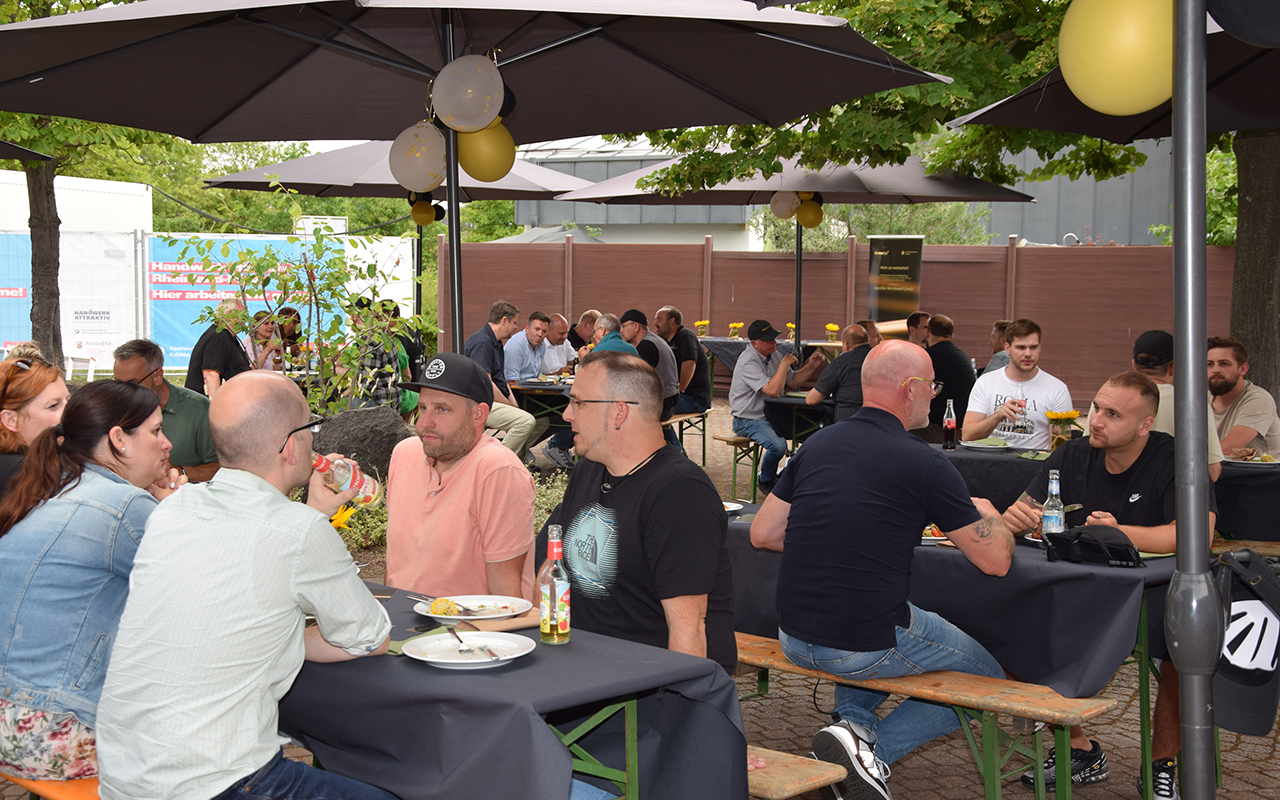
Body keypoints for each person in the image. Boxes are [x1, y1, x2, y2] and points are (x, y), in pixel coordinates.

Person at [96, 371, 394, 800]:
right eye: (312, 428)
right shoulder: (298, 532)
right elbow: (370, 639)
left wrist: (313, 514)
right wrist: (312, 521)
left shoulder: (172, 511)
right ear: (291, 445)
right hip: (214, 781)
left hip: (125, 774)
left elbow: (240, 605)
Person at [751, 341, 1013, 800]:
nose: (934, 395)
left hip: (793, 636)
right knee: (988, 678)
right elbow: (996, 562)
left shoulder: (818, 443)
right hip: (857, 644)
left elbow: (764, 534)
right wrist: (992, 515)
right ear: (910, 389)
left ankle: (852, 731)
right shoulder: (925, 460)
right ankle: (868, 756)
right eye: (932, 386)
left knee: (881, 622)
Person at [1002, 371, 1217, 799]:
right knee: (1014, 623)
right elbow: (1022, 509)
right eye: (1096, 407)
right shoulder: (1072, 455)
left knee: (1184, 650)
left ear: (1144, 425)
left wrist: (1123, 533)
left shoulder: (1175, 460)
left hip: (1155, 592)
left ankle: (1162, 763)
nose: (1095, 420)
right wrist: (1012, 520)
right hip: (1082, 590)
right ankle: (1079, 747)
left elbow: (1199, 534)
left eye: (1112, 414)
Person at [0, 381, 182, 781]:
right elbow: (203, 589)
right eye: (155, 431)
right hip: (56, 730)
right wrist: (173, 513)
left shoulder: (49, 488)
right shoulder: (127, 506)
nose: (166, 443)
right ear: (119, 440)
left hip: (15, 719)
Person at [556, 351, 735, 672]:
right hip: (580, 671)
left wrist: (681, 715)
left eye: (578, 402)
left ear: (619, 413)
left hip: (644, 690)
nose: (567, 414)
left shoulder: (680, 492)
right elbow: (548, 567)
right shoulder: (590, 469)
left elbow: (689, 629)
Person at [386, 353, 537, 601]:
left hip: (467, 632)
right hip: (400, 625)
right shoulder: (405, 454)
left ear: (479, 415)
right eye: (422, 408)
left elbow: (507, 597)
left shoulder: (497, 470)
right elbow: (394, 568)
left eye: (442, 409)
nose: (424, 424)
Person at [1086, 330, 1223, 480]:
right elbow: (1211, 470)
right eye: (1100, 409)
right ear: (1173, 367)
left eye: (1113, 414)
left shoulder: (1107, 399)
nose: (1097, 421)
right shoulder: (1193, 404)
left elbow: (1088, 456)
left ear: (1133, 365)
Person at [728, 319, 825, 492]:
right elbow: (772, 390)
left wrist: (811, 366)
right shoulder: (748, 362)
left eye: (774, 338)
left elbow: (793, 381)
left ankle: (786, 477)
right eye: (768, 340)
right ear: (754, 343)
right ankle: (766, 480)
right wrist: (784, 364)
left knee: (813, 434)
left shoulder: (775, 355)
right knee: (778, 446)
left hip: (773, 415)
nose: (774, 343)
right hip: (748, 419)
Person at [113, 338, 221, 482]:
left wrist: (178, 471)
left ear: (157, 376)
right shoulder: (114, 408)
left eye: (133, 383)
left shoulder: (199, 409)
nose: (123, 392)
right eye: (118, 383)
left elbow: (222, 469)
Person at [963, 318, 1073, 449]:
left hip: (1035, 465)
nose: (1028, 354)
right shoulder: (986, 382)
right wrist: (998, 416)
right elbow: (967, 435)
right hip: (992, 462)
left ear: (1040, 347)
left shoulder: (1057, 389)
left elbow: (1061, 445)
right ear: (1007, 348)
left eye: (1033, 347)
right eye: (1021, 347)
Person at [463, 300, 548, 460]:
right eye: (515, 323)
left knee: (539, 420)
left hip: (488, 402)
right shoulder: (482, 342)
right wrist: (509, 405)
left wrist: (514, 405)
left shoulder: (495, 343)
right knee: (525, 421)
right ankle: (496, 463)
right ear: (504, 320)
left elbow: (502, 379)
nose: (516, 327)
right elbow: (486, 383)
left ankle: (514, 459)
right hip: (477, 404)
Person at [0, 357, 69, 497]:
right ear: (11, 420)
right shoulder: (25, 474)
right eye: (54, 406)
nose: (70, 412)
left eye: (68, 400)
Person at [1207, 335, 1280, 457]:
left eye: (1224, 364)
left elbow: (1229, 449)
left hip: (1261, 474)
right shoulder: (1201, 400)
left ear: (1243, 369)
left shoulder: (1257, 399)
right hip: (1220, 471)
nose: (1216, 370)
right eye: (1210, 364)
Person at [619, 309, 681, 448]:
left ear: (635, 326)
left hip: (662, 404)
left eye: (623, 326)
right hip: (669, 400)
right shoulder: (654, 340)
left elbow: (635, 382)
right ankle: (676, 450)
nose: (621, 331)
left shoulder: (646, 345)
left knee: (618, 414)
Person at [916, 314, 975, 442]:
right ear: (952, 334)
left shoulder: (927, 358)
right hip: (960, 427)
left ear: (927, 332)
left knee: (901, 427)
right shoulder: (960, 355)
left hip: (942, 431)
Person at [185, 297, 252, 398]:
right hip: (203, 404)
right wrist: (216, 406)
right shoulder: (218, 336)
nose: (246, 317)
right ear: (229, 314)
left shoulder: (227, 337)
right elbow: (210, 374)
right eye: (243, 313)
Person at [654, 305, 712, 416]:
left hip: (694, 398)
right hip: (678, 395)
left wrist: (679, 391)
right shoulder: (666, 341)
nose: (655, 323)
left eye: (659, 319)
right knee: (649, 406)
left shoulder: (686, 336)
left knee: (653, 410)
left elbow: (690, 363)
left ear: (671, 321)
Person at [805, 323, 870, 421]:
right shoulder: (880, 358)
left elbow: (811, 399)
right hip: (879, 420)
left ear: (846, 344)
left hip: (848, 421)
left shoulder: (841, 363)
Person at [346, 297, 402, 412]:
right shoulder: (380, 335)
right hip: (391, 402)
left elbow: (365, 384)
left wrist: (342, 396)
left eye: (352, 315)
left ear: (356, 316)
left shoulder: (370, 341)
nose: (351, 318)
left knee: (333, 411)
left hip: (380, 404)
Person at [504, 311, 552, 383]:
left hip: (533, 388)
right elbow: (511, 381)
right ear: (527, 328)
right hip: (517, 390)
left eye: (544, 331)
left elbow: (537, 377)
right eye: (537, 329)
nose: (540, 334)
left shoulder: (542, 345)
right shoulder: (516, 344)